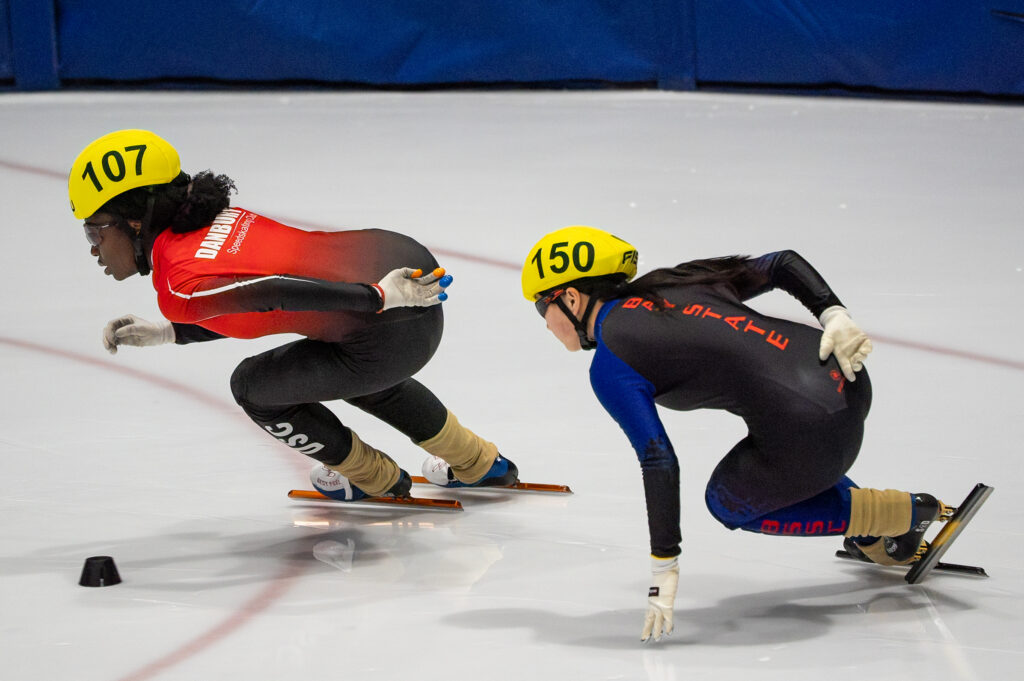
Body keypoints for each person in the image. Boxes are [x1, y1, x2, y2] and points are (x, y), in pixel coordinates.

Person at [521, 225, 950, 642]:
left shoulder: (611, 366)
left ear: (572, 298)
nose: (544, 324)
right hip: (843, 369)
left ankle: (904, 515)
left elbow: (658, 460)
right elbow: (782, 262)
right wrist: (833, 314)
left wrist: (663, 565)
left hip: (814, 429)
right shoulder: (675, 283)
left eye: (543, 309)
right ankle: (876, 535)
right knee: (771, 458)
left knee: (728, 502)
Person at [69, 128, 517, 502]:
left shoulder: (176, 283)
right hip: (408, 275)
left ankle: (373, 478)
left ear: (132, 221)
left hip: (385, 316)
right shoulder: (218, 218)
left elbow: (274, 292)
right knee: (341, 364)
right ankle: (478, 462)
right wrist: (172, 332)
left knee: (252, 385)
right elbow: (252, 302)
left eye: (95, 229)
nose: (93, 248)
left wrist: (376, 298)